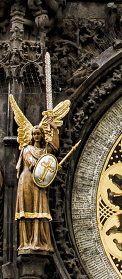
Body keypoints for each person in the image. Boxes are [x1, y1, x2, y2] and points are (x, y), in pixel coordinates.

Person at [10, 95, 70, 253]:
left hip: (39, 182)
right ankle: (27, 242)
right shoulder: (26, 149)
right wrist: (49, 168)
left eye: (39, 134)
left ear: (42, 135)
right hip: (28, 180)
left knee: (40, 208)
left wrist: (55, 129)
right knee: (28, 209)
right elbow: (32, 164)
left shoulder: (44, 150)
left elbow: (55, 148)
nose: (36, 136)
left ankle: (40, 241)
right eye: (34, 134)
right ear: (31, 135)